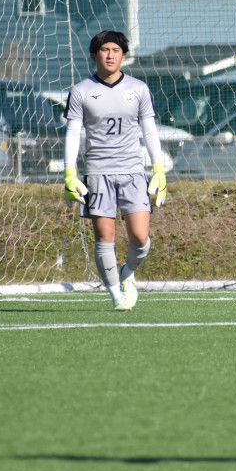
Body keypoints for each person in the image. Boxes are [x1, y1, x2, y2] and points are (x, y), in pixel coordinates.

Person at [63, 30, 167, 311]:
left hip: (133, 172)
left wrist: (159, 168)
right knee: (104, 238)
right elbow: (73, 133)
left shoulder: (139, 89)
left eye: (116, 50)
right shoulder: (81, 90)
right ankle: (115, 296)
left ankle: (128, 274)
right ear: (94, 55)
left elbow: (149, 130)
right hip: (98, 174)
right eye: (105, 50)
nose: (110, 55)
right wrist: (69, 173)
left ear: (124, 56)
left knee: (140, 239)